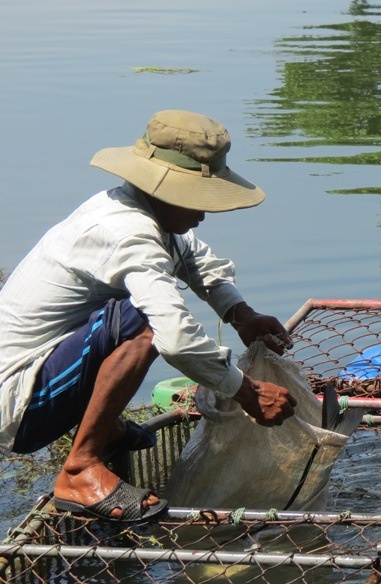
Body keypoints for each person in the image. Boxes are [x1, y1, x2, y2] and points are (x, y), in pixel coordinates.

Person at [0, 109, 297, 523]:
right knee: (142, 320)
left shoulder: (137, 209)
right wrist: (247, 392)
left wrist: (240, 314)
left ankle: (106, 430)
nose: (203, 214)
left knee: (134, 316)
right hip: (19, 403)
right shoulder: (128, 232)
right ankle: (80, 469)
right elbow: (175, 338)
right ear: (165, 190)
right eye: (196, 199)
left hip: (41, 377)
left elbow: (192, 258)